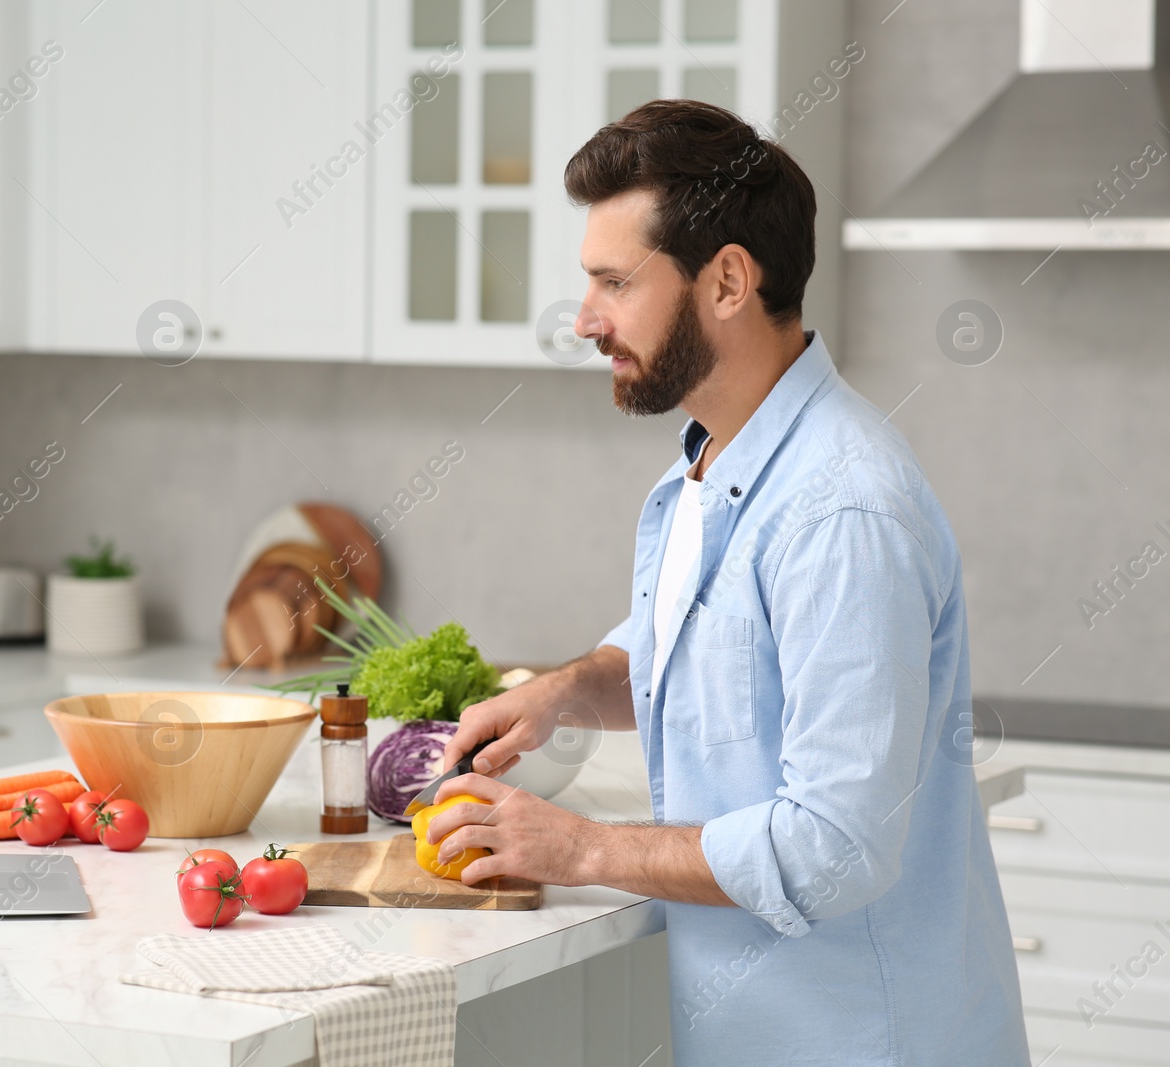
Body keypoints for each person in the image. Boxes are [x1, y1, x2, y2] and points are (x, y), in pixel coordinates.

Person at [426, 99, 1029, 1066]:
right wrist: (564, 692)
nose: (585, 320)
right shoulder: (719, 459)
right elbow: (708, 658)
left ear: (729, 281)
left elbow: (834, 846)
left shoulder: (842, 510)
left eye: (615, 283)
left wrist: (579, 848)